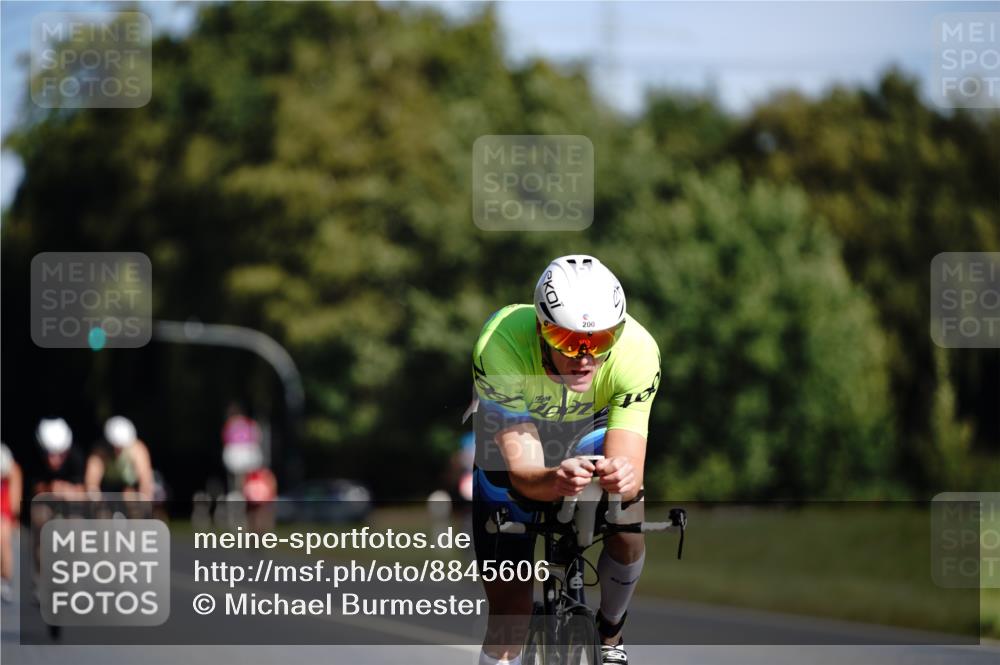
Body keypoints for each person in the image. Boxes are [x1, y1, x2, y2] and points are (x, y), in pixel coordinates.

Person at [471, 255, 660, 665]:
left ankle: (611, 633)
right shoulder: (500, 343)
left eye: (601, 340)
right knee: (508, 620)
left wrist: (619, 476)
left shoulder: (639, 352)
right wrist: (553, 477)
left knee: (627, 517)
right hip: (516, 438)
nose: (585, 356)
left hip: (589, 430)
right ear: (541, 328)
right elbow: (523, 473)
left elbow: (629, 468)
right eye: (568, 340)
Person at [85, 416, 155, 501]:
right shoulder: (98, 453)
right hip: (108, 491)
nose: (117, 450)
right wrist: (96, 499)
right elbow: (91, 484)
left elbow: (145, 482)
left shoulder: (138, 449)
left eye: (121, 447)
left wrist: (143, 501)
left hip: (132, 489)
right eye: (114, 446)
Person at [1, 443, 22, 603]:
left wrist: (13, 518)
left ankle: (5, 580)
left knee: (3, 537)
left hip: (4, 510)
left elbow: (14, 503)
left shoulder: (13, 469)